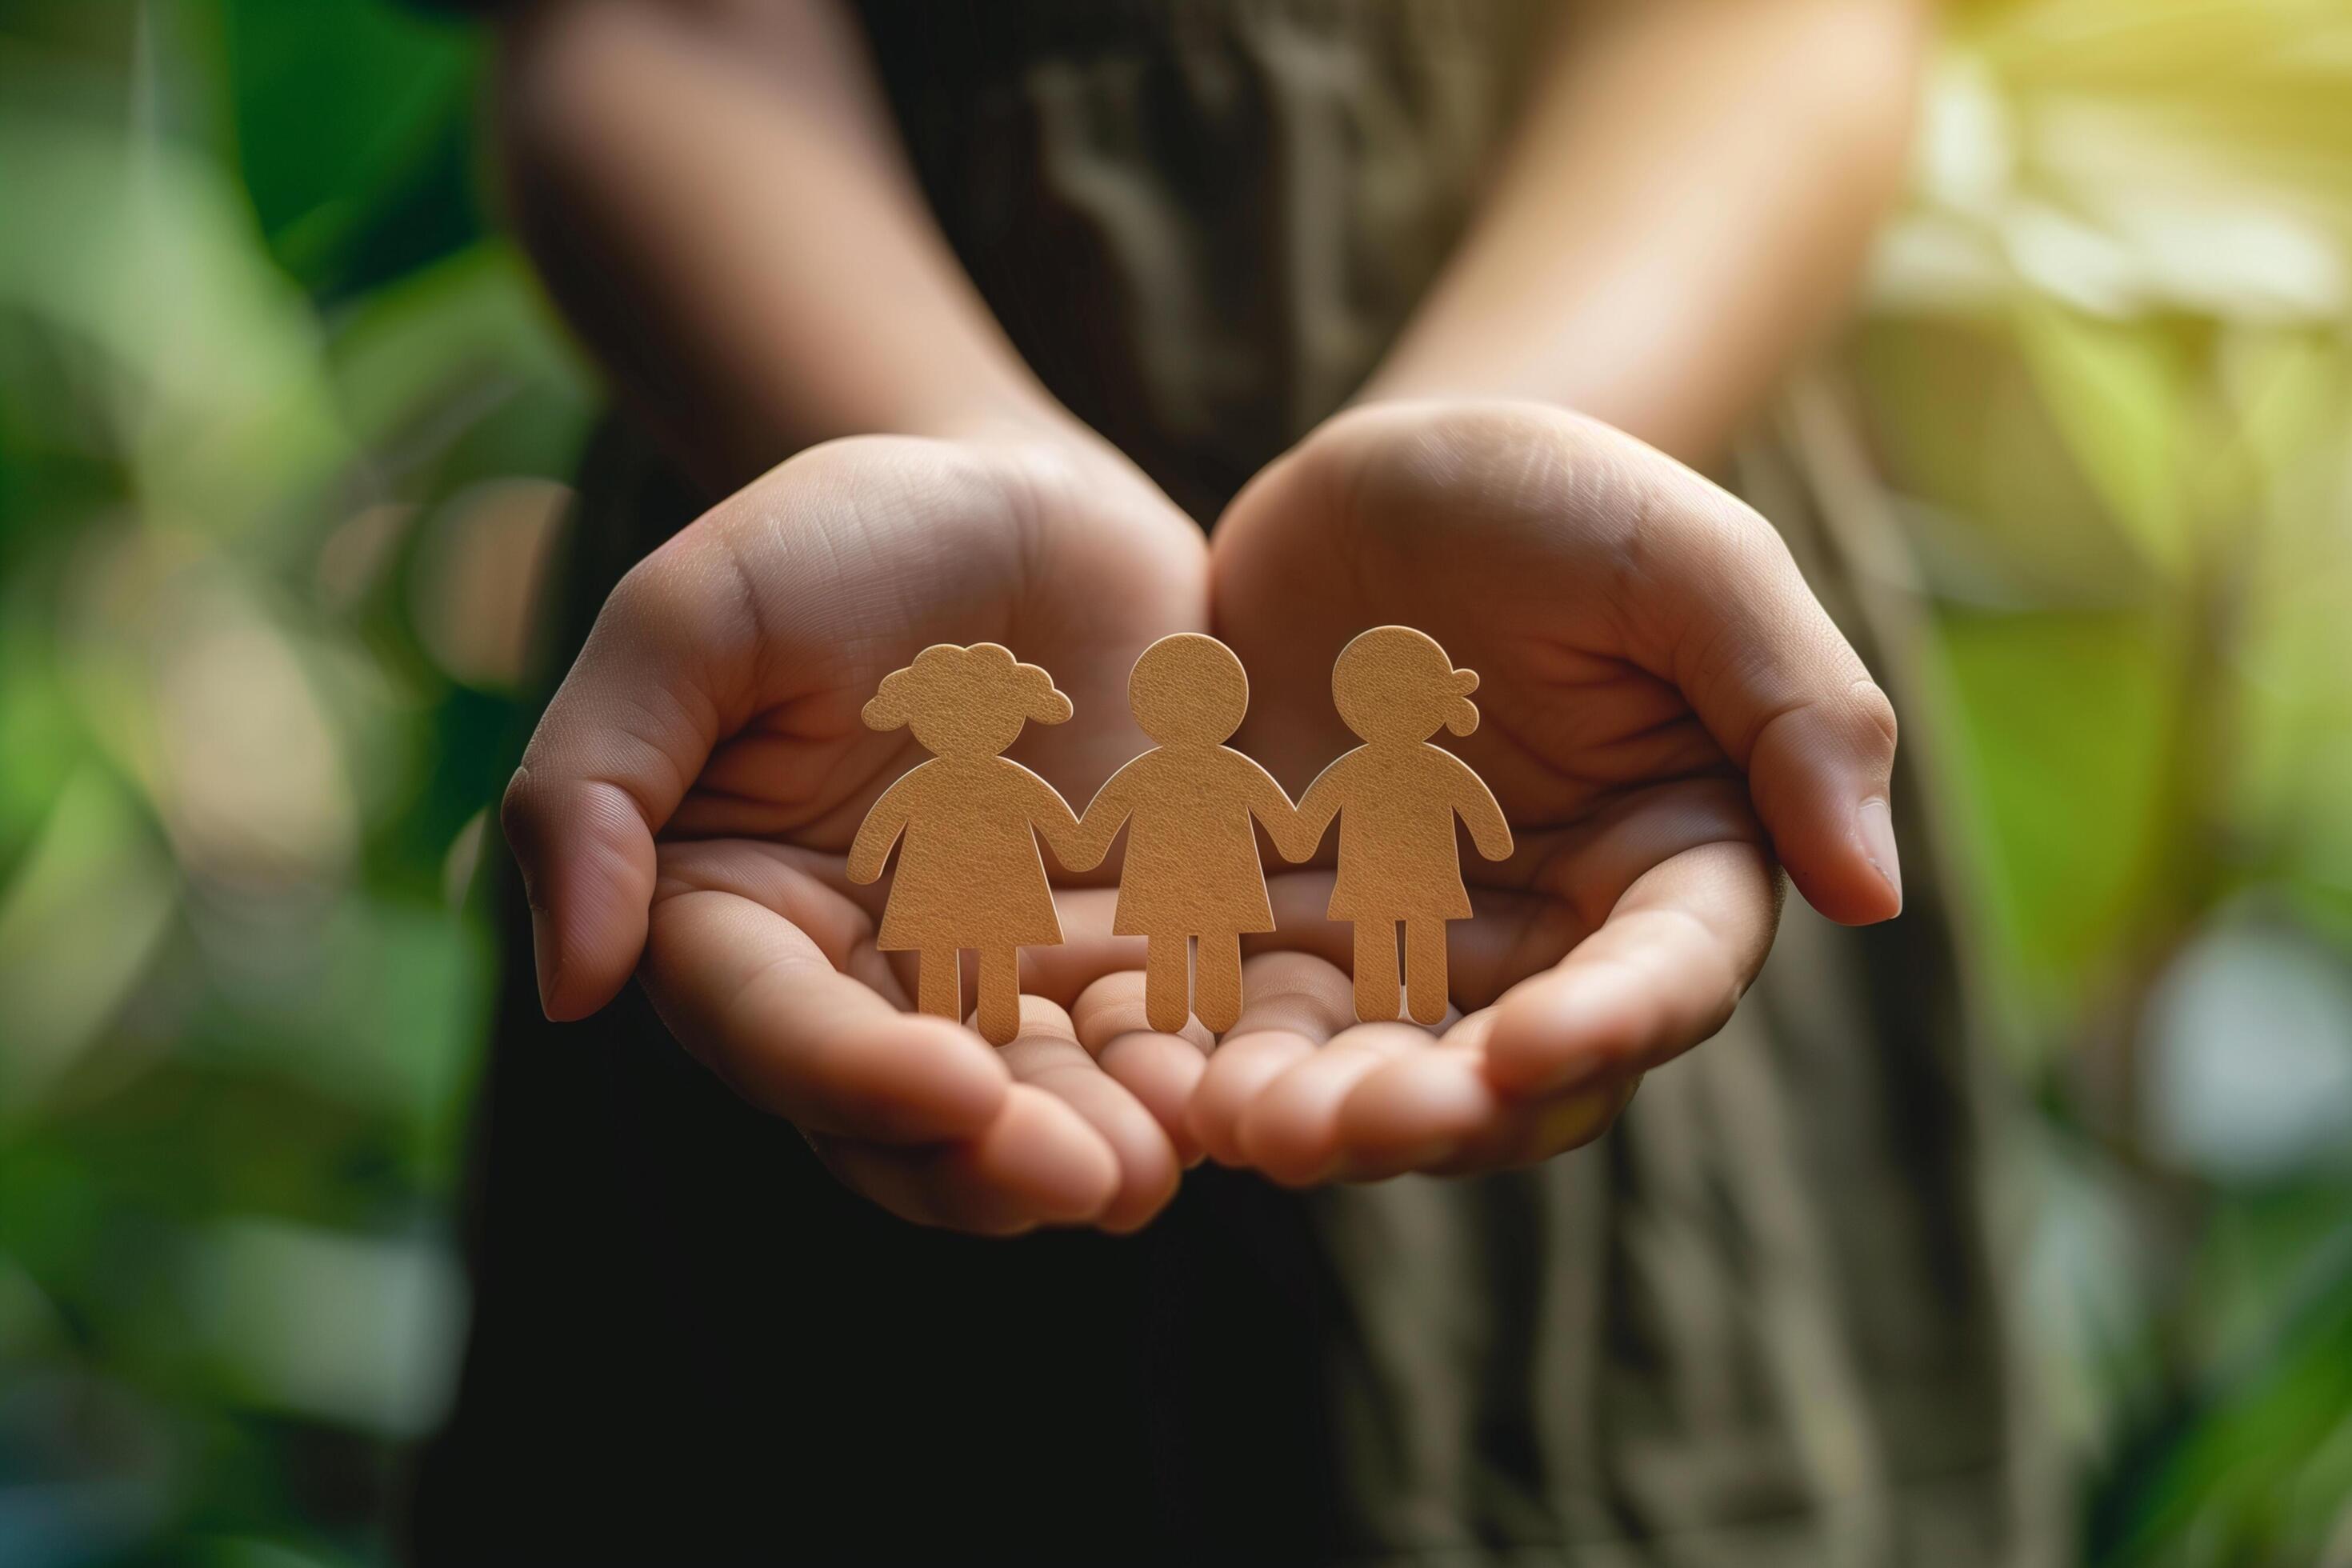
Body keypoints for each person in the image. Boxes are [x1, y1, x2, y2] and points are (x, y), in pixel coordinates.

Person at [412, 1, 2048, 1562]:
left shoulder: (1481, 715)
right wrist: (960, 454)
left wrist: (1524, 438)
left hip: (1582, 645)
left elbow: (1777, 26)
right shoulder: (959, 724)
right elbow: (641, 26)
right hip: (832, 663)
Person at [1067, 632, 1303, 1035]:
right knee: (1176, 936)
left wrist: (1082, 846)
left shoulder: (1221, 769)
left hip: (1208, 869)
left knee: (1210, 934)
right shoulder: (1155, 770)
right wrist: (1297, 837)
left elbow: (1273, 808)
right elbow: (1110, 809)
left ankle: (1214, 1013)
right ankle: (1173, 1014)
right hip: (1176, 869)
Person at [847, 642, 1085, 1043]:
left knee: (995, 945)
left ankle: (996, 1022)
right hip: (943, 876)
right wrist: (1077, 847)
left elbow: (1048, 811)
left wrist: (1074, 844)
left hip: (991, 876)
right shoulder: (932, 781)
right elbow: (887, 818)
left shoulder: (1002, 779)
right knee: (950, 945)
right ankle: (943, 1028)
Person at [1286, 626, 1514, 1026]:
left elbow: (1472, 800)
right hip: (1375, 873)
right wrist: (1301, 834)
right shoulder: (1357, 768)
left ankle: (1425, 1003)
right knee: (1378, 930)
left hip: (1419, 872)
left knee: (1423, 930)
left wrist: (1491, 836)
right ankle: (1378, 1001)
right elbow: (1322, 802)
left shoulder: (1433, 767)